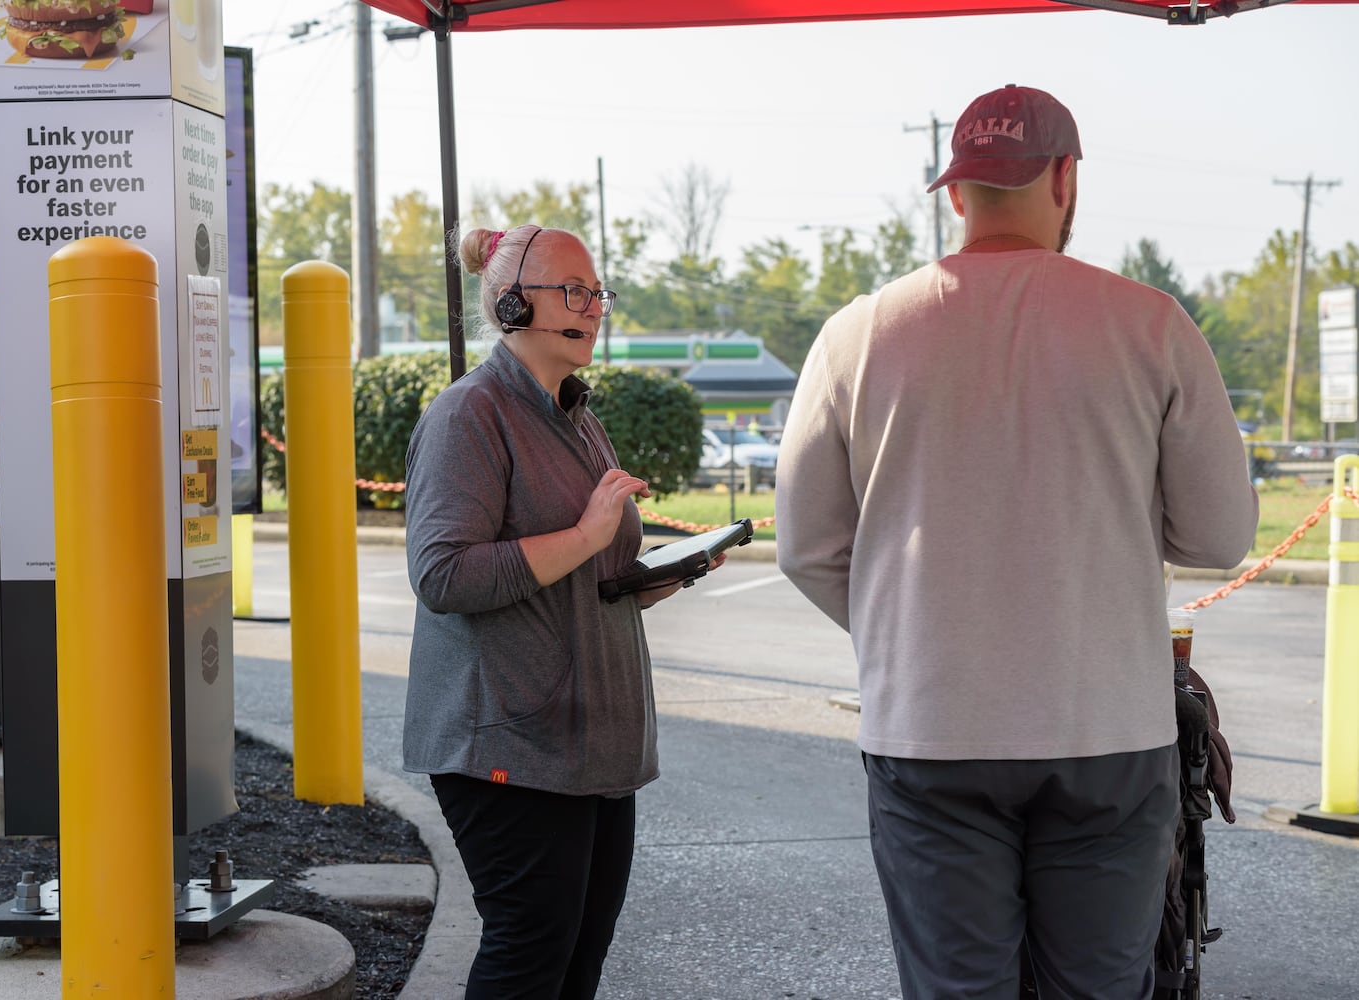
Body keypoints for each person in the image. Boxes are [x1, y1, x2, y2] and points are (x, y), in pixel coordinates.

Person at [775, 84, 1258, 1000]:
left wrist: (912, 634)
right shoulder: (1151, 325)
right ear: (1065, 177)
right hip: (1108, 728)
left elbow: (806, 548)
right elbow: (1219, 537)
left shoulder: (857, 335)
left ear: (957, 192)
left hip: (930, 726)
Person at [403, 224, 711, 999]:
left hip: (595, 747)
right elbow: (444, 574)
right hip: (510, 744)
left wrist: (660, 575)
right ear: (511, 303)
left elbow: (592, 570)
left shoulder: (577, 416)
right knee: (529, 958)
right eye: (572, 291)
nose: (593, 306)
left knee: (578, 960)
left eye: (598, 291)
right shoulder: (469, 415)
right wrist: (583, 534)